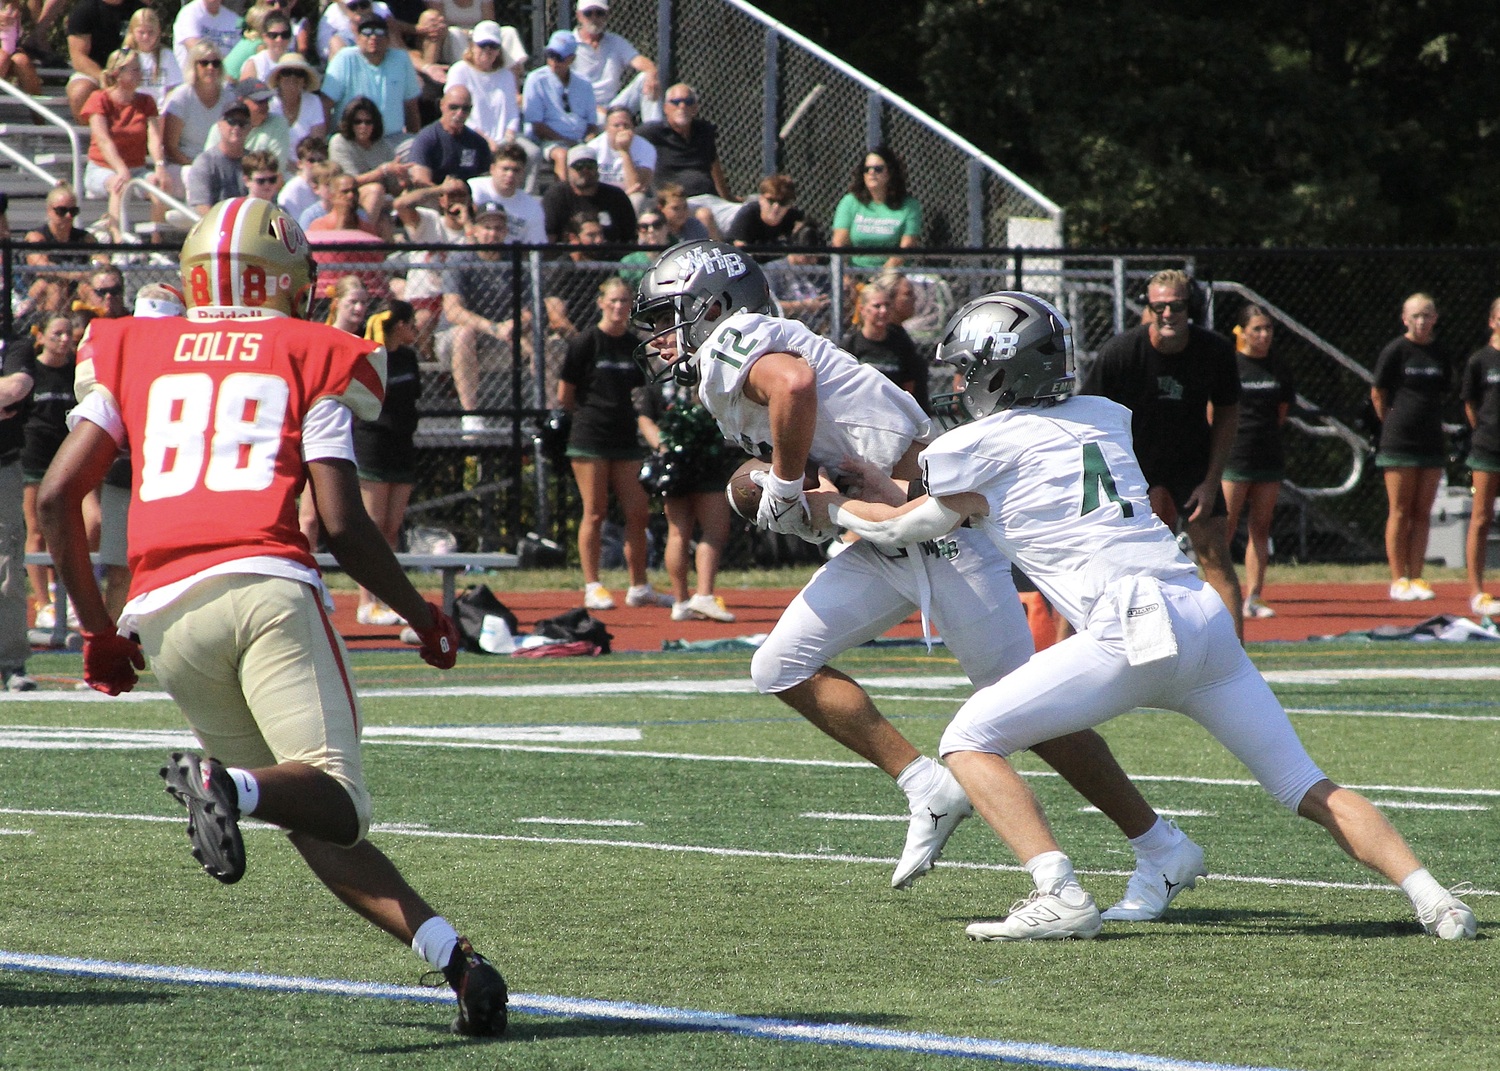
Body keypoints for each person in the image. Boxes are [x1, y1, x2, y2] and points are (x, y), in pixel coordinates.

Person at [811, 290, 1478, 943]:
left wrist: (828, 508)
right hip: (1200, 617)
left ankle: (1058, 892)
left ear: (1004, 371)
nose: (961, 382)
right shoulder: (1101, 414)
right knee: (1307, 785)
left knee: (966, 741)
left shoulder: (986, 442)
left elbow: (907, 526)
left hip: (1128, 629)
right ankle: (1437, 900)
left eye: (969, 368)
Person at [37, 197, 508, 1035]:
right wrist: (421, 616)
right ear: (288, 279)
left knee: (299, 807)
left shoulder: (131, 344)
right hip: (262, 584)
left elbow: (54, 495)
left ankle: (454, 959)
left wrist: (96, 632)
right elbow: (340, 522)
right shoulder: (313, 349)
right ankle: (232, 784)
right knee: (337, 797)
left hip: (163, 613)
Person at [632, 241, 1207, 913]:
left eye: (671, 315)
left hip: (941, 538)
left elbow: (794, 386)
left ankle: (1145, 852)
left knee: (1028, 710)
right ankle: (924, 784)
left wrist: (786, 487)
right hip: (885, 532)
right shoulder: (749, 349)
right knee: (780, 665)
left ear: (713, 308)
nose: (663, 335)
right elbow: (814, 440)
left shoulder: (740, 340)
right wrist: (794, 491)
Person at [1080, 269, 1246, 642]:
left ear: (1192, 308)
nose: (1167, 314)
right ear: (1149, 309)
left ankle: (1235, 660)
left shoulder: (1215, 351)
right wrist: (1107, 483)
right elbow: (1088, 415)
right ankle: (1079, 649)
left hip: (1192, 461)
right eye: (1159, 307)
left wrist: (1210, 481)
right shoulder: (1121, 352)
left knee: (1214, 557)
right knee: (1109, 561)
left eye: (1176, 306)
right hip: (1131, 463)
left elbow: (1227, 411)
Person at [560, 276, 671, 612]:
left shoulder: (633, 346)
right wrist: (587, 418)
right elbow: (565, 396)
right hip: (590, 437)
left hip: (625, 439)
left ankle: (639, 586)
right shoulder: (585, 342)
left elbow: (644, 390)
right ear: (601, 303)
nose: (619, 307)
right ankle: (593, 585)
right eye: (613, 300)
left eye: (625, 301)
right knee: (595, 512)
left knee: (638, 511)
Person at [1372, 292, 1450, 603]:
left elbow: (1444, 391)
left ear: (1435, 318)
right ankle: (1398, 578)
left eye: (1427, 315)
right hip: (1399, 440)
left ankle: (1417, 575)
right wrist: (1391, 423)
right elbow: (1379, 392)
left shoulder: (1440, 353)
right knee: (1400, 510)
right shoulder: (1395, 351)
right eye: (1415, 315)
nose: (1422, 321)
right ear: (1405, 318)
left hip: (1431, 439)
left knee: (1422, 512)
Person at [640, 379, 737, 622]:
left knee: (679, 531)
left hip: (682, 460)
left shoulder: (659, 377)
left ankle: (684, 601)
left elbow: (644, 417)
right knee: (709, 530)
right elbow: (645, 417)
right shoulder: (707, 367)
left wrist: (665, 448)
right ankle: (699, 596)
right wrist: (666, 447)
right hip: (699, 460)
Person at [23, 313, 96, 632]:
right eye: (58, 334)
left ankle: (63, 591)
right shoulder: (31, 371)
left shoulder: (75, 372)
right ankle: (43, 602)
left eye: (69, 334)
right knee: (37, 530)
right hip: (36, 457)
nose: (65, 340)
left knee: (91, 522)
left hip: (69, 458)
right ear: (42, 337)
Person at [351, 300, 422, 625]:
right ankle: (367, 602)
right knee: (373, 526)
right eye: (412, 324)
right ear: (398, 326)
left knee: (392, 529)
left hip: (402, 446)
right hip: (374, 444)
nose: (416, 330)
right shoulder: (372, 355)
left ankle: (386, 597)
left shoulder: (408, 357)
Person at [1221, 303, 1293, 620]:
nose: (1263, 335)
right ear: (1243, 332)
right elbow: (1215, 414)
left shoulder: (1279, 367)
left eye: (1268, 329)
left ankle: (1255, 596)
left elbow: (1281, 413)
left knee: (1260, 529)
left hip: (1268, 457)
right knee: (1224, 527)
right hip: (1235, 457)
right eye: (1257, 329)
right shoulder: (1230, 365)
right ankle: (1218, 594)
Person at [438, 201, 520, 431]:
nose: (492, 233)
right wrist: (494, 327)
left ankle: (546, 412)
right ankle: (471, 414)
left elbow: (530, 307)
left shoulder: (515, 260)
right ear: (474, 229)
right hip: (453, 341)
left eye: (498, 228)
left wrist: (515, 324)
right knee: (465, 332)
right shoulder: (460, 259)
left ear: (505, 232)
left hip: (504, 337)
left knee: (550, 344)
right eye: (487, 227)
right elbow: (453, 311)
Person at [81, 48, 169, 241]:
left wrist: (159, 165)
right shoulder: (100, 98)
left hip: (136, 169)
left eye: (140, 69)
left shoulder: (146, 101)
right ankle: (118, 238)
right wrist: (121, 169)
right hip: (102, 168)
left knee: (158, 184)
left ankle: (157, 241)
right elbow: (103, 140)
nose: (140, 74)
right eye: (134, 70)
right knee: (117, 183)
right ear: (117, 74)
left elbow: (154, 137)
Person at [637, 85, 736, 233]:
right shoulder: (651, 133)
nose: (682, 106)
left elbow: (714, 164)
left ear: (695, 107)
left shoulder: (704, 131)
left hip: (712, 200)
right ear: (666, 108)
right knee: (705, 216)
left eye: (688, 101)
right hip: (681, 203)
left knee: (750, 212)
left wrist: (727, 197)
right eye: (676, 102)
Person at [394, 175, 471, 353]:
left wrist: (467, 224)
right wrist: (439, 189)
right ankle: (431, 368)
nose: (456, 200)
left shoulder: (472, 230)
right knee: (421, 321)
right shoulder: (429, 221)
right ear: (441, 200)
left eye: (461, 195)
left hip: (457, 298)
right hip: (424, 297)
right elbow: (400, 205)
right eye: (451, 195)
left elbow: (479, 256)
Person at [321, 14, 421, 150]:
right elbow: (326, 104)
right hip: (352, 140)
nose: (373, 37)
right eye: (367, 32)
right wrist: (322, 143)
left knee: (416, 151)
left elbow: (411, 106)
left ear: (387, 38)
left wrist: (415, 140)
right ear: (357, 37)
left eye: (379, 32)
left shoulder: (401, 59)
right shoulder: (344, 58)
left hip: (393, 140)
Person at [0, 321, 36, 690]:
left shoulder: (16, 345)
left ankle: (11, 663)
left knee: (8, 569)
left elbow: (15, 387)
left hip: (3, 466)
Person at [1462, 298, 1500, 617]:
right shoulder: (1480, 361)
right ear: (1492, 321)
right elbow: (1471, 405)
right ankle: (1476, 590)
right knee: (1481, 517)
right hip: (1487, 448)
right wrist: (1485, 431)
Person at [841, 275, 927, 412]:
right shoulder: (851, 344)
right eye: (877, 306)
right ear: (863, 309)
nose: (884, 311)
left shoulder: (901, 343)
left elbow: (908, 387)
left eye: (887, 305)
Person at [521, 30, 597, 184]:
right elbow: (537, 126)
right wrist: (567, 141)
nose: (553, 61)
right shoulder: (536, 79)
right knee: (562, 155)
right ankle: (563, 195)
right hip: (549, 141)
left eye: (559, 57)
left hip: (580, 140)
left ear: (571, 59)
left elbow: (591, 124)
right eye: (550, 55)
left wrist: (588, 141)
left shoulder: (584, 83)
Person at [830, 146, 921, 270]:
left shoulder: (909, 205)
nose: (871, 173)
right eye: (867, 169)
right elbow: (839, 243)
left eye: (878, 169)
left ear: (890, 172)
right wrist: (846, 276)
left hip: (893, 273)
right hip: (855, 273)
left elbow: (906, 247)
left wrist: (880, 278)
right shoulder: (849, 202)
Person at [571, 0, 660, 124]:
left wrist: (651, 72)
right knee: (601, 119)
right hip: (584, 109)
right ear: (579, 16)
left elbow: (639, 61)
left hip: (615, 106)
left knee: (648, 80)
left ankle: (655, 133)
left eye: (599, 13)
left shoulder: (616, 42)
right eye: (588, 13)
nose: (594, 18)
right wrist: (594, 108)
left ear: (607, 15)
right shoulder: (569, 44)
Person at [442, 20, 522, 156]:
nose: (488, 50)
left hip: (504, 140)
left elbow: (513, 113)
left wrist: (509, 135)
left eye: (493, 46)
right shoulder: (459, 70)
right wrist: (485, 140)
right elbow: (455, 112)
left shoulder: (507, 75)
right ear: (472, 46)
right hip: (468, 136)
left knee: (532, 153)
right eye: (482, 45)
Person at [328, 96, 412, 223]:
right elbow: (350, 182)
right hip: (348, 197)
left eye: (368, 122)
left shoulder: (383, 146)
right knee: (375, 190)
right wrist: (382, 171)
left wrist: (403, 180)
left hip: (382, 202)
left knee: (386, 220)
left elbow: (394, 189)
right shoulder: (339, 142)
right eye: (358, 121)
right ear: (350, 122)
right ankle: (364, 238)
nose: (363, 126)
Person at [163, 42, 230, 200]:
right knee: (197, 179)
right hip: (184, 165)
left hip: (219, 163)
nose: (210, 68)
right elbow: (171, 148)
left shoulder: (229, 97)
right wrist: (199, 167)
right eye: (204, 63)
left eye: (215, 63)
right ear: (194, 65)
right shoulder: (182, 97)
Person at [22, 185, 99, 322]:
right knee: (55, 286)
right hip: (39, 292)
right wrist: (75, 274)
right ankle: (52, 325)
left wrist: (90, 273)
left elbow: (102, 264)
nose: (68, 216)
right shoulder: (37, 236)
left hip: (77, 288)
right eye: (61, 211)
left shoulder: (86, 238)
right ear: (49, 211)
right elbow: (42, 268)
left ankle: (100, 326)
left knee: (91, 288)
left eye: (73, 211)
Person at [542, 144, 635, 244]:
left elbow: (630, 237)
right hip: (567, 257)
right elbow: (549, 236)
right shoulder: (556, 196)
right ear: (569, 170)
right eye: (579, 166)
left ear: (597, 169)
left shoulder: (616, 196)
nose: (585, 170)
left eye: (590, 165)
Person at [64, 0, 140, 122]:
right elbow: (78, 57)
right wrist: (103, 76)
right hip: (94, 72)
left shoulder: (138, 10)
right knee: (80, 91)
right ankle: (93, 137)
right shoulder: (84, 11)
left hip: (134, 69)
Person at [407, 84, 492, 186]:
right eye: (453, 107)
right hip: (437, 195)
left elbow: (485, 180)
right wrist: (445, 192)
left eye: (465, 109)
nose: (459, 113)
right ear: (442, 105)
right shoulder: (427, 138)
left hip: (468, 197)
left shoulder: (478, 142)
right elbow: (421, 181)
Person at [467, 144, 545, 244]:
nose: (510, 175)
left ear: (523, 173)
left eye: (516, 170)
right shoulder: (473, 189)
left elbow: (536, 247)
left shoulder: (532, 207)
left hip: (512, 258)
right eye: (505, 169)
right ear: (492, 169)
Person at [206, 80, 292, 169]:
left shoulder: (277, 123)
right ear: (241, 101)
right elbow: (209, 164)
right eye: (259, 101)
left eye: (266, 100)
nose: (265, 106)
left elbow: (277, 168)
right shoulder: (220, 128)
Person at [186, 102, 251, 213]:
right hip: (216, 226)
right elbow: (201, 207)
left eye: (242, 123)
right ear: (219, 124)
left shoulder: (254, 162)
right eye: (231, 121)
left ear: (249, 127)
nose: (237, 127)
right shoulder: (205, 162)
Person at [587, 105, 654, 211]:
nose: (622, 129)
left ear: (633, 127)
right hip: (599, 198)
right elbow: (588, 185)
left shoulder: (646, 148)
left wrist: (624, 151)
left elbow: (637, 186)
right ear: (606, 128)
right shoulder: (592, 148)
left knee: (638, 199)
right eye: (616, 125)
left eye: (626, 125)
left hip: (627, 198)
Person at [265, 49, 326, 155]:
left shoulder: (313, 101)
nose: (292, 77)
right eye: (287, 72)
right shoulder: (269, 103)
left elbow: (317, 144)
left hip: (306, 165)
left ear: (304, 80)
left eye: (298, 73)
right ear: (278, 78)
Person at [726, 173, 802, 254]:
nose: (776, 207)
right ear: (761, 199)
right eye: (771, 201)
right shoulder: (748, 214)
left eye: (783, 203)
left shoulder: (795, 219)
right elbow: (737, 249)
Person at [121, 8, 179, 108]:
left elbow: (174, 89)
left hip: (162, 110)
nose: (146, 36)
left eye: (151, 32)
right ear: (132, 32)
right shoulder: (125, 56)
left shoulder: (167, 55)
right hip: (134, 109)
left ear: (158, 31)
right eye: (141, 32)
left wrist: (165, 110)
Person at [172, 0, 242, 76]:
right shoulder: (189, 14)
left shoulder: (234, 19)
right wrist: (228, 65)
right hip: (193, 81)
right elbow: (197, 51)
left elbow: (241, 55)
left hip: (226, 82)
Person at [278, 134, 327, 222]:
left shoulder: (328, 186)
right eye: (311, 160)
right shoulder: (292, 190)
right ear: (300, 164)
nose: (317, 164)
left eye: (321, 160)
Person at [0, 0, 40, 95]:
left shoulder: (11, 6)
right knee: (2, 58)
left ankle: (36, 107)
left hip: (8, 50)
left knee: (22, 61)